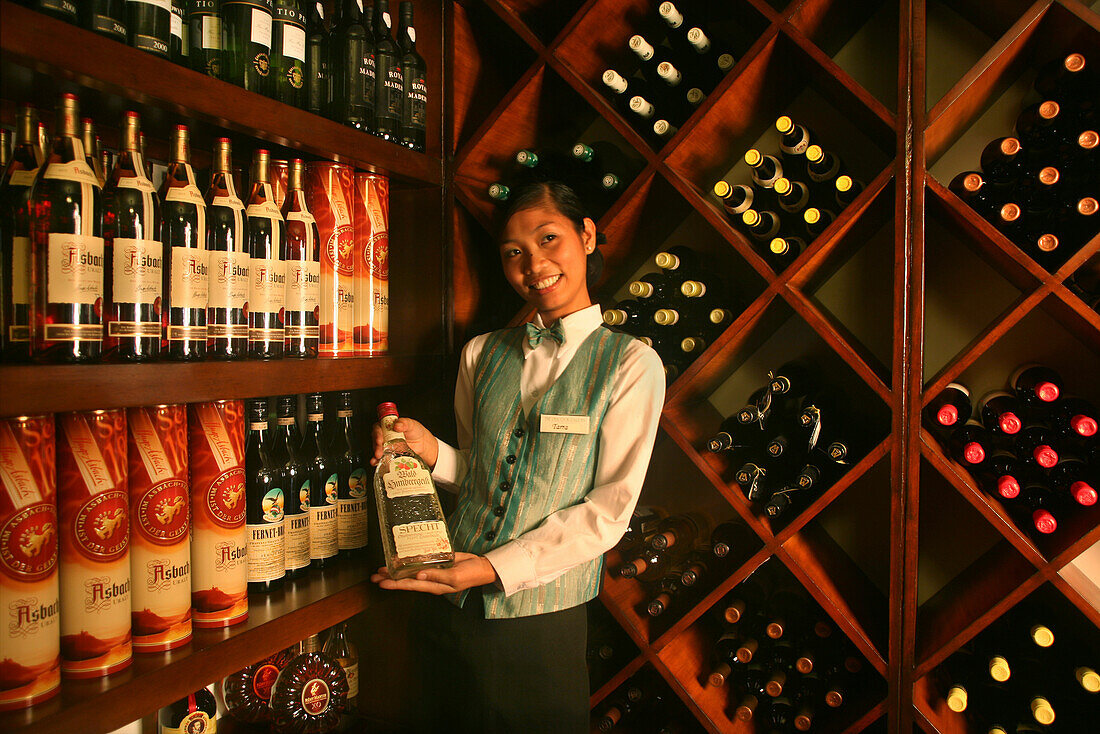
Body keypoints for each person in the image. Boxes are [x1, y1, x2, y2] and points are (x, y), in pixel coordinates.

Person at [370, 181, 665, 733]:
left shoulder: (632, 365)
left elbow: (608, 513)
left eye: (549, 238)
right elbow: (479, 474)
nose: (534, 264)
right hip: (443, 608)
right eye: (514, 252)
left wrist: (489, 569)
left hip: (540, 627)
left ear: (587, 235)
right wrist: (431, 452)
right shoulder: (480, 354)